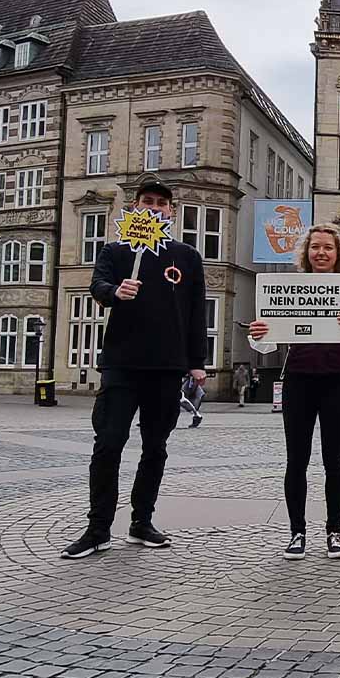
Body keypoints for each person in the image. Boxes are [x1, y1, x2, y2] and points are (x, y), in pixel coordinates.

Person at [61, 181, 207, 559]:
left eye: (162, 203)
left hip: (166, 366)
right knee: (108, 443)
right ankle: (97, 529)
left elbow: (195, 312)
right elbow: (97, 285)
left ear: (171, 212)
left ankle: (142, 521)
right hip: (122, 364)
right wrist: (115, 292)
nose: (156, 208)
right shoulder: (115, 250)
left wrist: (197, 363)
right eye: (148, 202)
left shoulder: (187, 256)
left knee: (155, 448)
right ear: (136, 206)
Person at [248, 224, 340, 560]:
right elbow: (267, 336)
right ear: (306, 253)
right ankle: (297, 532)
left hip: (336, 381)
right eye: (315, 247)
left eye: (328, 248)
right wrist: (259, 332)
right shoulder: (287, 289)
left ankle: (335, 531)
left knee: (335, 462)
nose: (321, 253)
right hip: (299, 381)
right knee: (296, 461)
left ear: (338, 253)